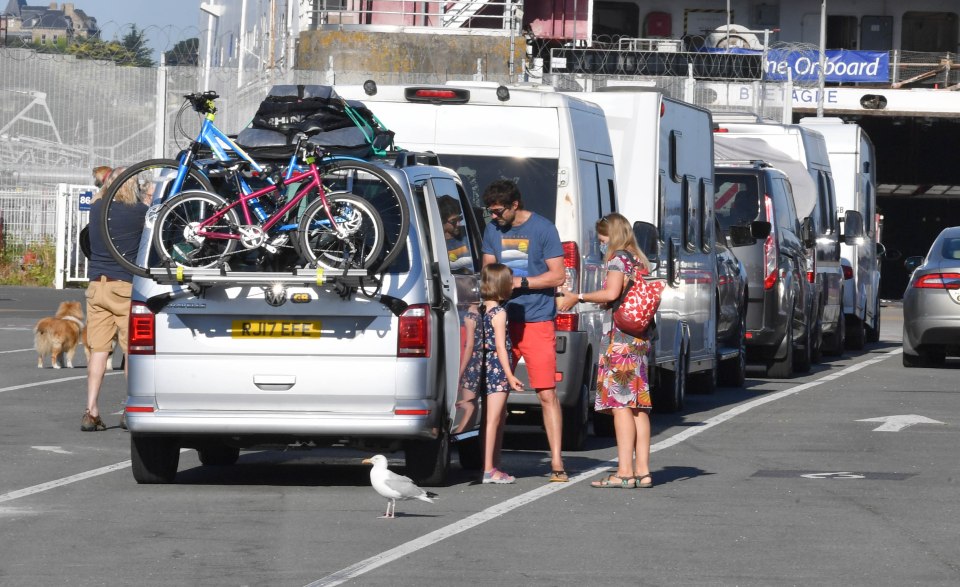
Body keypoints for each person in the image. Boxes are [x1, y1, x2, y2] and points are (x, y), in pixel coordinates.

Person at [557, 213, 655, 489]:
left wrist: (579, 296)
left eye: (602, 238)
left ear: (611, 235)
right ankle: (643, 471)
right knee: (639, 408)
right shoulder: (639, 260)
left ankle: (624, 472)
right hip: (638, 339)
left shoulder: (618, 259)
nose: (600, 243)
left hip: (620, 340)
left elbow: (611, 293)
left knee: (621, 406)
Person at [480, 179, 569, 482]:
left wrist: (521, 283)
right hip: (502, 321)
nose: (493, 217)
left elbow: (558, 275)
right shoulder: (493, 230)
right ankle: (491, 464)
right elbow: (488, 272)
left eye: (497, 211)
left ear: (514, 205)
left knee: (546, 393)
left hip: (536, 320)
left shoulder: (543, 229)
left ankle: (557, 461)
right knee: (497, 395)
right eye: (489, 211)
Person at [81, 166, 149, 431]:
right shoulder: (140, 213)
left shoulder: (97, 210)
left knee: (99, 350)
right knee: (131, 351)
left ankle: (91, 409)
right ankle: (130, 407)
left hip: (97, 286)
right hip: (125, 286)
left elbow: (100, 196)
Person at [460, 264, 524, 483]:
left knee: (479, 419)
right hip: (496, 368)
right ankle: (489, 469)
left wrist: (461, 373)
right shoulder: (500, 312)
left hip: (477, 366)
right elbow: (500, 347)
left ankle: (486, 466)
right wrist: (510, 375)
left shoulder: (473, 310)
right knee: (493, 419)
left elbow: (469, 346)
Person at [438, 195, 472, 273]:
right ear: (441, 221)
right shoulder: (434, 243)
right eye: (453, 221)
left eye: (460, 219)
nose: (458, 224)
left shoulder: (468, 234)